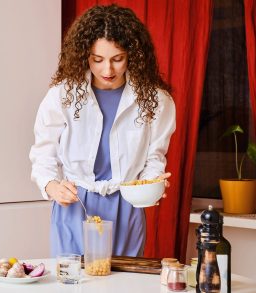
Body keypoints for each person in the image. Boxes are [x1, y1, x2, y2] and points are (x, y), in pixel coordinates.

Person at [29, 4, 176, 257]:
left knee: (123, 284)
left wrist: (151, 183)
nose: (108, 70)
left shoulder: (156, 100)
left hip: (126, 207)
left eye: (117, 59)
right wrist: (51, 185)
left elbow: (154, 157)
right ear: (84, 54)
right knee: (73, 283)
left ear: (131, 54)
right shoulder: (62, 96)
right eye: (97, 60)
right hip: (75, 206)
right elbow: (43, 155)